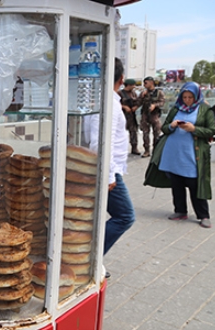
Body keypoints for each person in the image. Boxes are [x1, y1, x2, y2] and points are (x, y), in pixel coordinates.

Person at [144, 82, 215, 229]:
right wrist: (172, 126)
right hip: (174, 153)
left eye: (190, 97)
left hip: (192, 154)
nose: (187, 100)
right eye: (185, 97)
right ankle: (180, 211)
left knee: (195, 185)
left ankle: (203, 215)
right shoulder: (176, 108)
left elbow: (211, 131)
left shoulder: (205, 109)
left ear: (197, 96)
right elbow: (164, 127)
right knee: (177, 184)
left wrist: (193, 129)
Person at [87, 58, 135, 268]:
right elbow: (100, 142)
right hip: (106, 171)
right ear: (121, 79)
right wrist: (108, 175)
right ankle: (91, 259)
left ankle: (89, 258)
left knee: (93, 215)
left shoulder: (104, 101)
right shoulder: (108, 104)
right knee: (125, 216)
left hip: (104, 169)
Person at [137, 76, 165, 157]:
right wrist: (142, 96)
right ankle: (146, 150)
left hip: (154, 115)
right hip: (145, 114)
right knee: (145, 133)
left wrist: (154, 105)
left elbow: (162, 102)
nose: (144, 85)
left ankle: (155, 150)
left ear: (151, 83)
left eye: (146, 83)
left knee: (157, 133)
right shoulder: (144, 93)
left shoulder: (159, 92)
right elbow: (138, 102)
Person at [119, 79, 140, 155]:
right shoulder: (120, 93)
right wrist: (124, 107)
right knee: (120, 132)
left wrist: (136, 107)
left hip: (131, 116)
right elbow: (115, 103)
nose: (134, 87)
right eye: (133, 85)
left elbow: (138, 102)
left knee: (133, 132)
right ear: (129, 85)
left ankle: (134, 148)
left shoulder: (134, 93)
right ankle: (120, 149)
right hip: (122, 116)